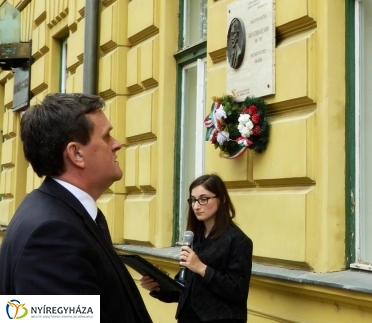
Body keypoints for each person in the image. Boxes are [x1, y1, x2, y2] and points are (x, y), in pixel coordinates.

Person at [0, 93, 152, 323]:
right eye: (106, 136)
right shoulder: (52, 235)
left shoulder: (58, 213)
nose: (117, 144)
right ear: (76, 154)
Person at [140, 174, 253, 322]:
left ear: (222, 199)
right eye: (193, 200)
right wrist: (158, 287)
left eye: (203, 199)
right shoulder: (194, 238)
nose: (196, 206)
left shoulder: (238, 240)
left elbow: (237, 291)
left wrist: (200, 268)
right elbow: (184, 289)